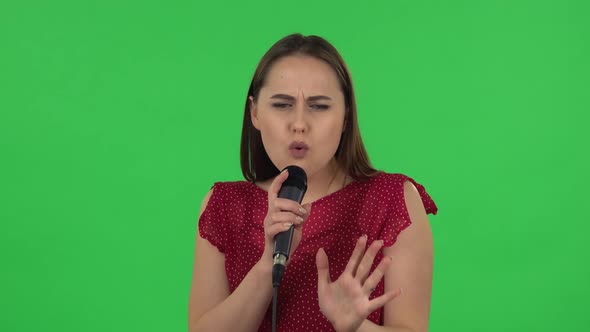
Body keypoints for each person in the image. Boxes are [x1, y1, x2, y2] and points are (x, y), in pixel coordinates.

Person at [188, 33, 439, 332]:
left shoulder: (393, 199)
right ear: (254, 112)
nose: (299, 124)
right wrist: (268, 265)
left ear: (346, 116)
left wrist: (356, 326)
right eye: (282, 104)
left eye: (319, 106)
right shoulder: (225, 205)